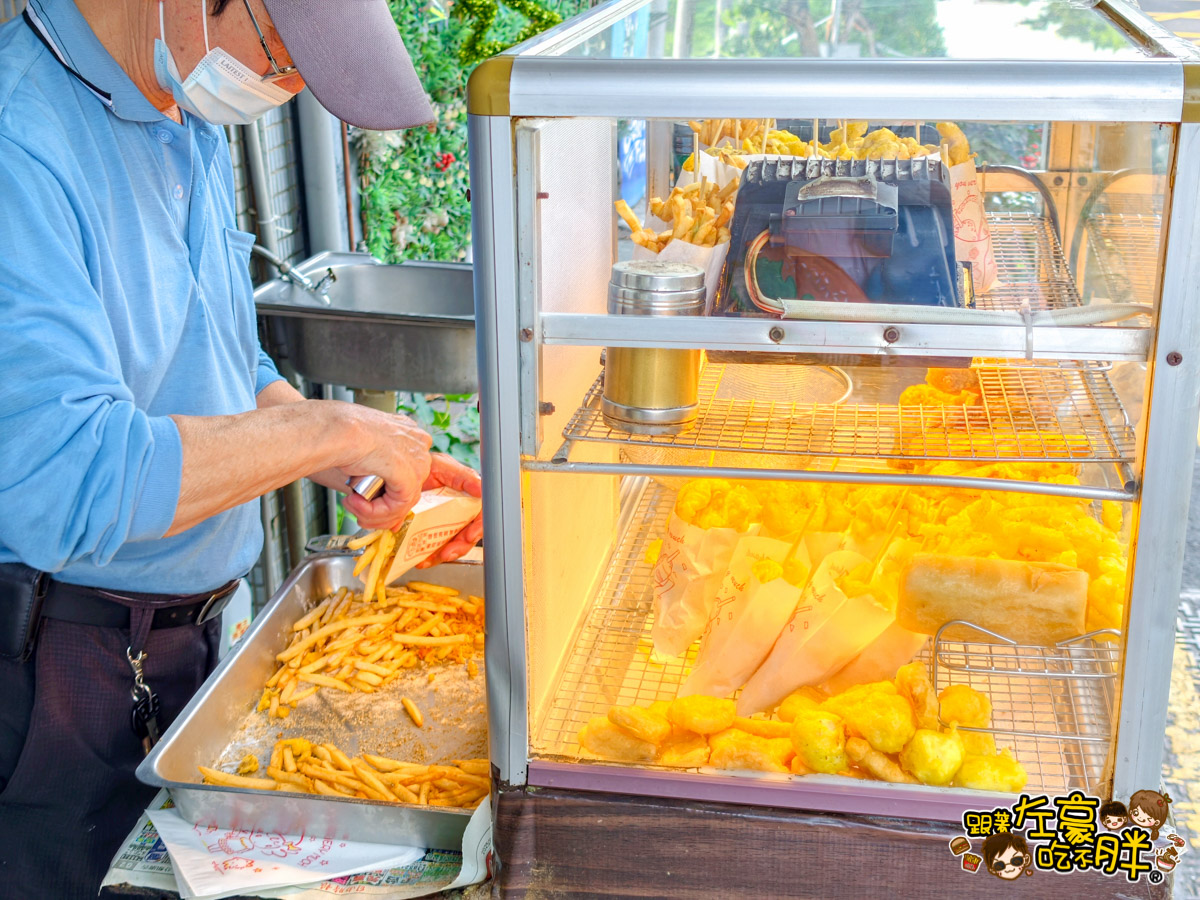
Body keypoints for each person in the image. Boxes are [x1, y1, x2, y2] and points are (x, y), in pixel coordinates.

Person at [0, 0, 481, 895]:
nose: (285, 86)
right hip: (55, 668)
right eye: (284, 52)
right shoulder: (19, 142)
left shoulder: (181, 109)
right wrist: (324, 429)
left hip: (181, 645)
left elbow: (226, 350)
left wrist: (327, 445)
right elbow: (62, 475)